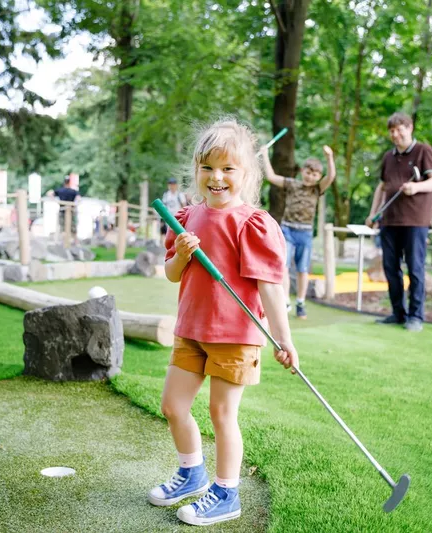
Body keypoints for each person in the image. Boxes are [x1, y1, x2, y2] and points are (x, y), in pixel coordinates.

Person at [149, 119, 299, 527]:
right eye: (208, 167)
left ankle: (226, 494)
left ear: (246, 174)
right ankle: (191, 472)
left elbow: (270, 287)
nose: (217, 177)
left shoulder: (252, 222)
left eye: (228, 168)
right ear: (197, 170)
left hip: (236, 336)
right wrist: (180, 252)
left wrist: (284, 340)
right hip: (191, 330)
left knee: (221, 413)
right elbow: (172, 273)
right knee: (173, 406)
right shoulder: (186, 216)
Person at [365, 112, 432, 333]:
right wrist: (374, 213)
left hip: (416, 221)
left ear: (410, 128)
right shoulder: (388, 157)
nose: (395, 134)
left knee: (415, 268)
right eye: (392, 131)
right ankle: (398, 313)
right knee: (391, 268)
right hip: (389, 221)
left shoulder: (424, 151)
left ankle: (416, 316)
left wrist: (416, 187)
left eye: (399, 129)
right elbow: (381, 187)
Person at [261, 145, 336, 319]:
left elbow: (331, 176)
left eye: (315, 174)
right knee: (284, 265)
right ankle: (286, 300)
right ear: (303, 171)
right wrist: (265, 154)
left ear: (318, 177)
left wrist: (329, 157)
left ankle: (300, 302)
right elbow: (271, 177)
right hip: (287, 229)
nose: (311, 176)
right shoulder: (292, 184)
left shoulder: (317, 189)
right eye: (308, 172)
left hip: (305, 233)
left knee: (302, 269)